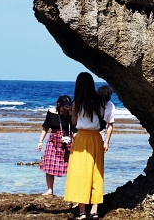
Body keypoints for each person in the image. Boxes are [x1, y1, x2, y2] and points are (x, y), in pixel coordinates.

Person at [65, 73, 115, 220]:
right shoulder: (101, 102)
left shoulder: (77, 103)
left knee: (80, 173)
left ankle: (82, 211)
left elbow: (74, 123)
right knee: (96, 173)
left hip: (82, 138)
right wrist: (107, 142)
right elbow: (108, 121)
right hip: (96, 138)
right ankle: (94, 209)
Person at [38, 95, 77, 195]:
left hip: (68, 141)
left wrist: (77, 142)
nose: (65, 109)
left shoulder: (71, 113)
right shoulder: (51, 112)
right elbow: (45, 127)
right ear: (59, 104)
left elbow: (75, 129)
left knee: (71, 166)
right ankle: (50, 189)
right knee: (49, 165)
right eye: (64, 106)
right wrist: (40, 141)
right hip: (54, 140)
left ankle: (72, 190)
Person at [96, 85, 115, 152]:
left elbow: (110, 125)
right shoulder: (92, 103)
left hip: (101, 135)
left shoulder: (111, 105)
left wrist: (107, 142)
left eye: (106, 101)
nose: (104, 103)